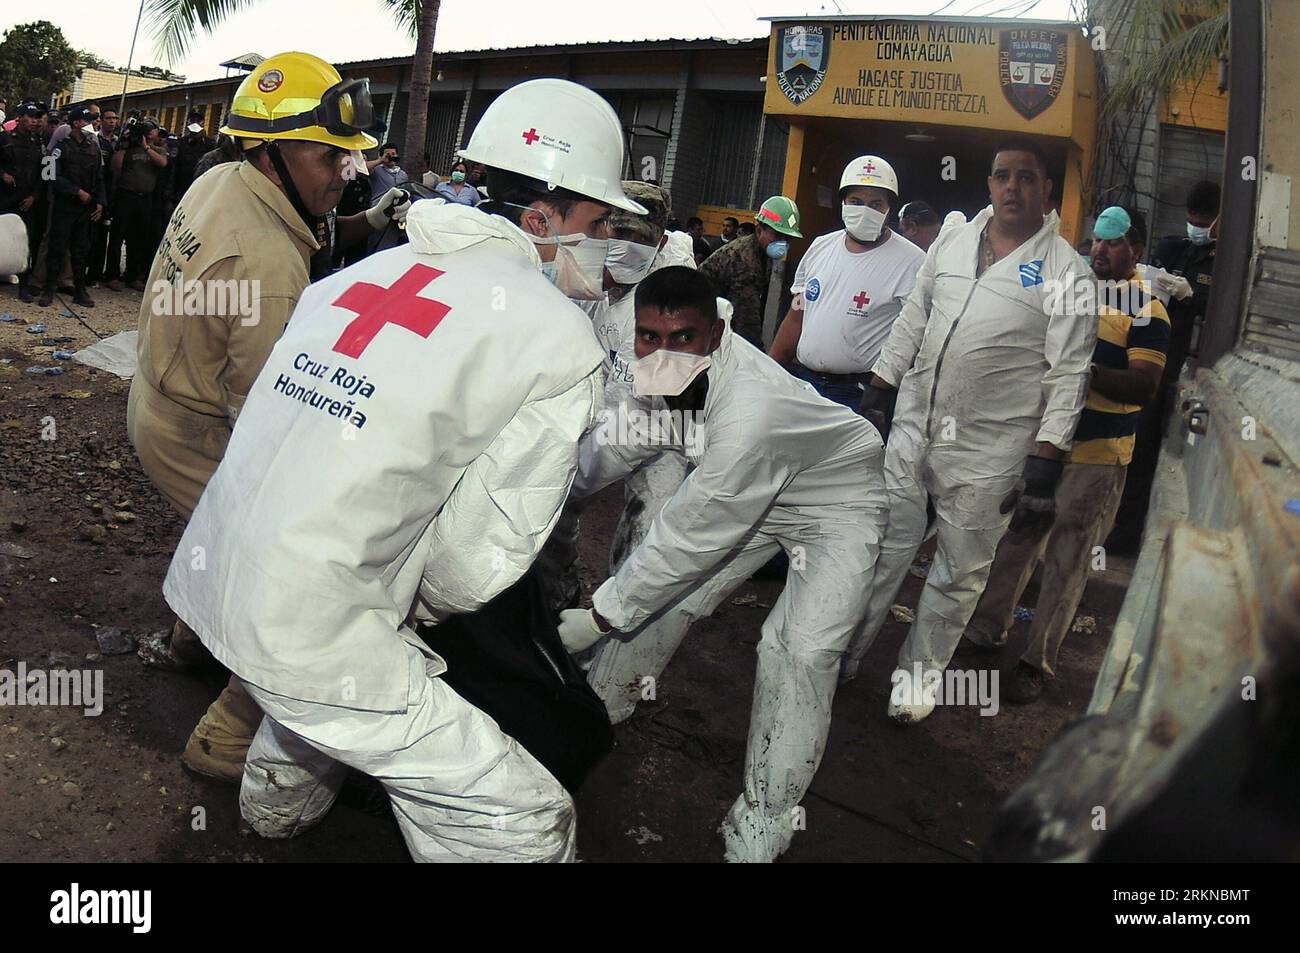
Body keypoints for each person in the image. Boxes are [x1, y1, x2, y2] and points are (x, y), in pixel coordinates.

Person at [160, 76, 644, 860]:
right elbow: (471, 568)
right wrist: (405, 616)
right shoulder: (555, 339)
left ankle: (268, 819)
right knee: (524, 817)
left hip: (214, 578)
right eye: (598, 220)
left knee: (321, 686)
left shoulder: (354, 279)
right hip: (315, 622)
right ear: (540, 218)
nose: (606, 240)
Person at [127, 52, 413, 782]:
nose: (347, 172)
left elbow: (307, 233)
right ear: (275, 150)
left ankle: (190, 639)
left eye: (351, 158)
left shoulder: (226, 181)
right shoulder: (266, 267)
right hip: (194, 427)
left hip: (157, 395)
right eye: (330, 157)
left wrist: (363, 223)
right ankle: (226, 736)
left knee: (211, 532)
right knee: (285, 575)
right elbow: (269, 415)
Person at [563, 265, 887, 862]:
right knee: (674, 594)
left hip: (837, 505)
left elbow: (692, 532)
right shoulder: (658, 382)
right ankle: (605, 700)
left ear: (713, 336)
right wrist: (549, 496)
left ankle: (765, 821)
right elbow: (611, 451)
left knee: (800, 650)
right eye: (649, 337)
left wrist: (601, 614)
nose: (663, 352)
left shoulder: (751, 408)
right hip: (752, 494)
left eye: (682, 337)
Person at [843, 137, 1097, 723]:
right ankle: (846, 652)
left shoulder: (1066, 272)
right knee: (881, 550)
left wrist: (1044, 463)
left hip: (991, 452)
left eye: (1026, 178)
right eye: (1002, 176)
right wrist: (880, 390)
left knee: (958, 573)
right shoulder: (953, 243)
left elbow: (1070, 374)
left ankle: (916, 682)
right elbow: (913, 319)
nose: (1012, 187)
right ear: (988, 184)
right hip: (913, 427)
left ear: (1046, 190)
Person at [965, 206, 1170, 703]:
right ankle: (986, 629)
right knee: (1017, 540)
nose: (1100, 249)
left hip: (1097, 457)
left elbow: (1145, 386)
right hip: (1046, 447)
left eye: (1113, 242)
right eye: (1096, 239)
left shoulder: (1146, 309)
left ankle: (1037, 661)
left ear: (1136, 249)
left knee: (1066, 558)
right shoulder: (1071, 287)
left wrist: (1084, 371)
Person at [1106, 179, 1220, 555]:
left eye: (1202, 219)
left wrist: (1194, 295)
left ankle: (1127, 537)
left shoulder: (1224, 261)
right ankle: (1112, 528)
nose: (1195, 225)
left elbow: (1221, 308)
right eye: (1191, 218)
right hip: (1140, 354)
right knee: (1127, 443)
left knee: (1154, 455)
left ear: (1218, 220)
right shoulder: (1173, 247)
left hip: (1177, 372)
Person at [769, 155, 925, 411]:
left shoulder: (913, 263)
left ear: (889, 209)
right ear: (842, 203)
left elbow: (916, 339)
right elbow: (796, 316)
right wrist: (769, 372)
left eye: (876, 204)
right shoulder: (820, 247)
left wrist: (880, 394)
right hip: (802, 384)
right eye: (856, 202)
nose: (865, 210)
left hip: (857, 395)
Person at [699, 195, 801, 347]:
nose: (783, 243)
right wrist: (757, 355)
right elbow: (746, 319)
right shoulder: (746, 260)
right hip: (700, 316)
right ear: (759, 230)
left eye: (788, 238)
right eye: (778, 236)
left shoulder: (762, 253)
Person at [39, 106, 104, 308]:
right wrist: (76, 191)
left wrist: (101, 202)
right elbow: (50, 175)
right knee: (57, 248)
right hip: (64, 206)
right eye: (87, 121)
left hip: (84, 210)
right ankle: (49, 289)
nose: (90, 125)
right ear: (76, 123)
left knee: (80, 250)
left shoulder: (93, 148)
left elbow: (100, 177)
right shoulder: (60, 146)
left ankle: (80, 290)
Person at [106, 118, 169, 291]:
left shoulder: (159, 149)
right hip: (125, 196)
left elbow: (162, 163)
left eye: (152, 129)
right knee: (117, 238)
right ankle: (112, 275)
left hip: (145, 199)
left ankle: (132, 275)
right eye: (146, 130)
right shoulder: (129, 148)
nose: (149, 132)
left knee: (138, 239)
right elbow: (115, 167)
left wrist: (146, 147)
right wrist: (124, 145)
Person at [2, 103, 47, 302]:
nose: (35, 121)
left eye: (38, 117)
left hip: (28, 200)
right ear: (19, 118)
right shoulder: (4, 139)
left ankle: (24, 285)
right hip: (5, 197)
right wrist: (2, 174)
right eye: (31, 117)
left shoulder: (39, 142)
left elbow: (44, 174)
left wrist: (35, 196)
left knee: (27, 242)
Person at [87, 108, 120, 286]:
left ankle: (96, 274)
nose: (112, 121)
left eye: (115, 118)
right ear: (101, 121)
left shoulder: (119, 142)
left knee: (103, 238)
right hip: (95, 193)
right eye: (108, 118)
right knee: (89, 236)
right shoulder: (94, 139)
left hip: (113, 195)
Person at [172, 110, 214, 201]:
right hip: (180, 191)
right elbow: (173, 169)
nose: (195, 123)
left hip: (199, 191)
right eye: (193, 120)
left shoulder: (210, 145)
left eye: (198, 121)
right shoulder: (180, 143)